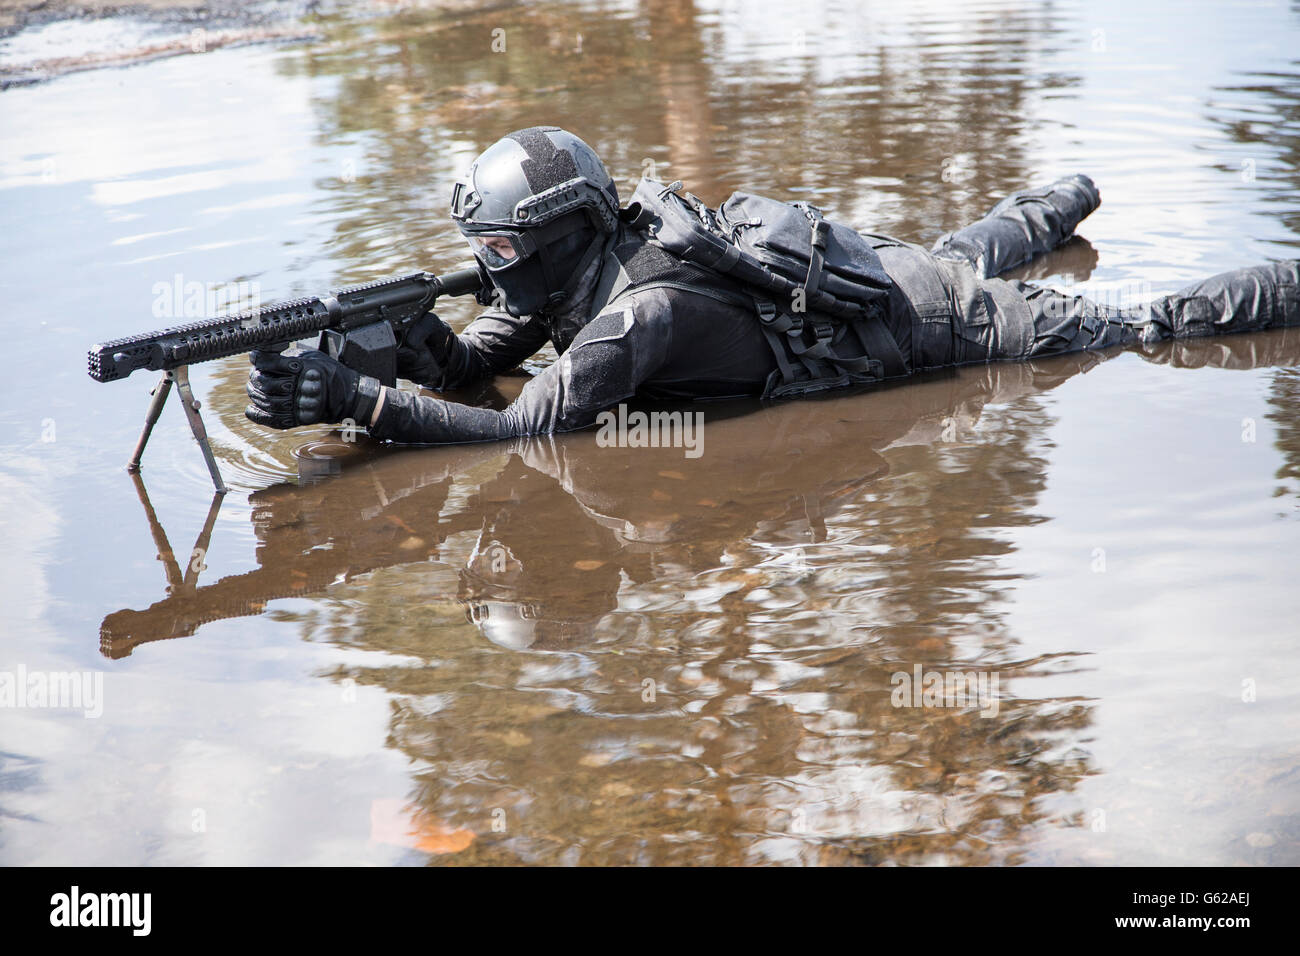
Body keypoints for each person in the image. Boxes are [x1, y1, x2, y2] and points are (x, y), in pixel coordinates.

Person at [244, 126, 1300, 441]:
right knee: (954, 250)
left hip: (926, 324)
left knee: (1138, 327)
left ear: (559, 235)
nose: (492, 271)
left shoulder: (635, 312)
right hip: (878, 276)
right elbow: (480, 365)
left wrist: (356, 400)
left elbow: (528, 433)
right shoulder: (577, 270)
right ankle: (1068, 194)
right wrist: (403, 342)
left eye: (504, 250)